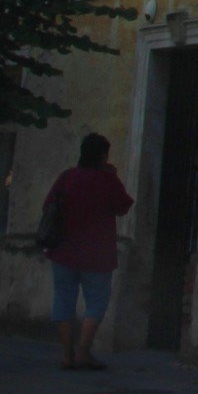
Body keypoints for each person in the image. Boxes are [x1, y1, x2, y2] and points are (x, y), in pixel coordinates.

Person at [42, 133, 133, 370]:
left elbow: (47, 206)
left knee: (63, 300)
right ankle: (84, 351)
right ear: (103, 156)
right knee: (96, 303)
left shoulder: (67, 177)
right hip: (97, 254)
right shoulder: (106, 180)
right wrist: (113, 176)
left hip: (63, 250)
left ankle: (66, 355)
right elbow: (123, 206)